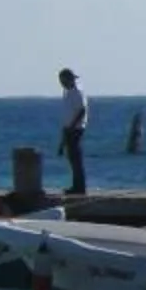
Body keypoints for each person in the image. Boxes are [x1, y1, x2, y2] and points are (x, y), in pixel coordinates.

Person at [56, 67, 90, 196]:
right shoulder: (67, 93)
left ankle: (80, 187)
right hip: (68, 127)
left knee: (76, 157)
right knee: (72, 157)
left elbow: (82, 111)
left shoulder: (77, 92)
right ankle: (76, 185)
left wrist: (72, 126)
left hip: (76, 128)